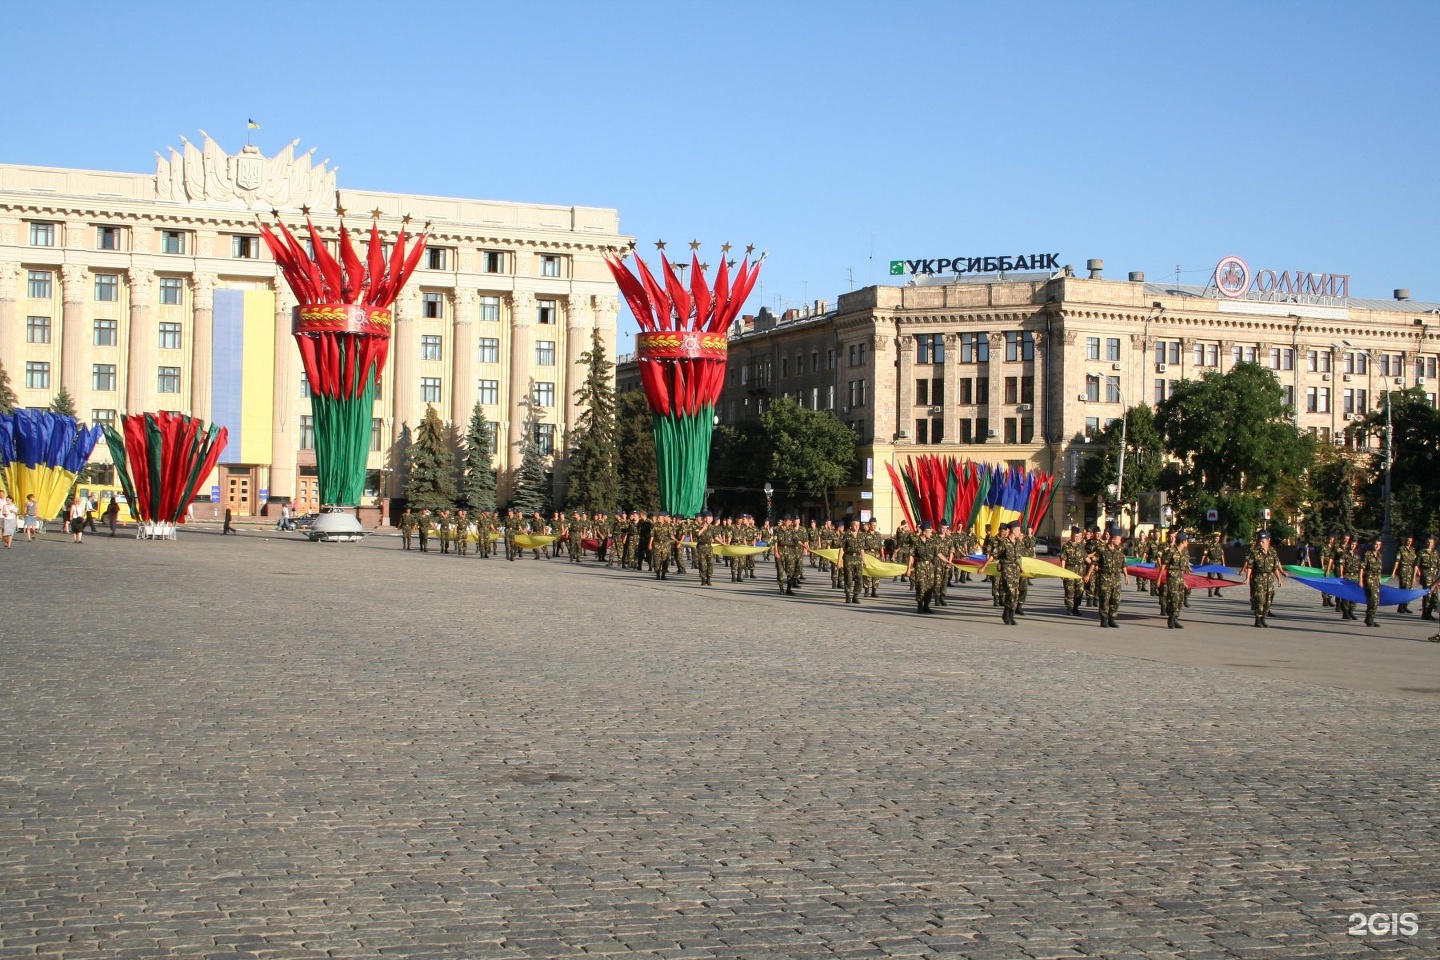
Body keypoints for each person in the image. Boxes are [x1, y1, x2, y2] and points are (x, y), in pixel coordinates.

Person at [1240, 530, 1284, 627]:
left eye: (1263, 541)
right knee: (1260, 599)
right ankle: (1258, 620)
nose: (1260, 543)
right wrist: (1247, 578)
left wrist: (1279, 579)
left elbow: (1275, 567)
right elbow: (1250, 566)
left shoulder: (1272, 551)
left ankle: (1263, 618)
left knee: (1268, 600)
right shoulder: (1255, 551)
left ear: (1268, 541)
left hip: (1269, 578)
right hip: (1258, 578)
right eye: (1260, 541)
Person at [1085, 528, 1129, 628]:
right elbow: (1093, 563)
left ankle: (1112, 619)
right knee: (1104, 599)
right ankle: (1104, 619)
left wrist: (1126, 576)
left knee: (1116, 599)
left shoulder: (1120, 550)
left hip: (1116, 578)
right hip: (1104, 578)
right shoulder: (1102, 549)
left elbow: (1124, 564)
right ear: (1113, 539)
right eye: (1119, 539)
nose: (1120, 541)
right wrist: (1088, 574)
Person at [1159, 531, 1192, 629]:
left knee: (1180, 600)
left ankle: (1176, 618)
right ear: (1183, 541)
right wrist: (1158, 579)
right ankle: (1171, 619)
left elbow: (1182, 570)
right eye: (1187, 541)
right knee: (1174, 599)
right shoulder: (1171, 551)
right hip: (1172, 578)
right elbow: (1163, 566)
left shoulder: (1184, 553)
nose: (1188, 543)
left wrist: (1184, 581)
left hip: (1180, 579)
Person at [1359, 535, 1384, 628]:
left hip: (1376, 579)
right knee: (1373, 599)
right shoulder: (1367, 554)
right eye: (1376, 544)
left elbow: (1380, 569)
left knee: (1376, 600)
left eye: (1379, 545)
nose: (1377, 546)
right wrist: (1360, 580)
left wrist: (1380, 578)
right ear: (1373, 544)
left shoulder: (1379, 555)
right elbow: (1362, 568)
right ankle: (1369, 619)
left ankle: (1370, 618)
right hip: (1369, 578)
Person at [1060, 526, 1087, 616]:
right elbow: (1063, 559)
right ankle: (1069, 608)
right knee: (1069, 590)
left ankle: (1076, 607)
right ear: (1072, 535)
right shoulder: (1066, 546)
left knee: (1080, 590)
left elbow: (1086, 558)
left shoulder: (1081, 546)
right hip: (1070, 570)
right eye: (1076, 536)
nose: (1077, 538)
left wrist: (1094, 565)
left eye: (1079, 537)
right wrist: (1062, 571)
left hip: (1080, 571)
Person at [1391, 535, 1417, 614]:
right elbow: (1397, 561)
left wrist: (1417, 573)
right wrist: (1394, 571)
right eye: (1407, 541)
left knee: (1410, 589)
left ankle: (1405, 606)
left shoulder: (1413, 550)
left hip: (1411, 571)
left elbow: (1415, 562)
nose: (1409, 542)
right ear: (1405, 541)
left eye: (1410, 541)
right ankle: (1401, 607)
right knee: (1404, 588)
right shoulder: (1401, 549)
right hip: (1403, 570)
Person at [1418, 535, 1439, 622]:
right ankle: (1425, 614)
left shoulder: (1435, 553)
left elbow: (1438, 565)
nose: (1429, 544)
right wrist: (1419, 575)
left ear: (1433, 543)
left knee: (1434, 595)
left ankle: (1429, 613)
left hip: (1434, 575)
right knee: (1427, 595)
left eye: (1431, 542)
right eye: (1427, 542)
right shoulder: (1421, 552)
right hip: (1426, 575)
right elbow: (1417, 565)